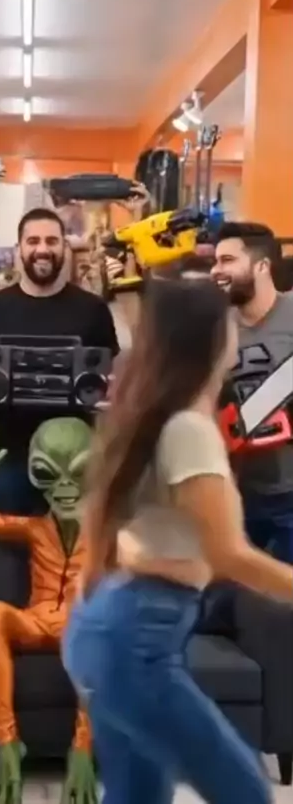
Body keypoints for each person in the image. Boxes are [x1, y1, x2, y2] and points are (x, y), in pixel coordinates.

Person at [62, 278, 292, 804]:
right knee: (246, 793)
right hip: (136, 640)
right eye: (228, 320)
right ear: (211, 337)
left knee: (137, 795)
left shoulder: (152, 416)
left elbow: (111, 529)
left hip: (106, 629)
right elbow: (228, 555)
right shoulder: (187, 428)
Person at [0, 207, 119, 514]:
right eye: (33, 241)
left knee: (71, 543)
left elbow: (107, 382)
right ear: (19, 249)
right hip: (7, 458)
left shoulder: (93, 310)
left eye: (51, 241)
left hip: (75, 462)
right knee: (5, 541)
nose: (42, 249)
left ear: (65, 247)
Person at [211, 222, 293, 563]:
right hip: (238, 494)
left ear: (262, 266)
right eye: (215, 261)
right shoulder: (215, 327)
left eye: (228, 260)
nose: (216, 270)